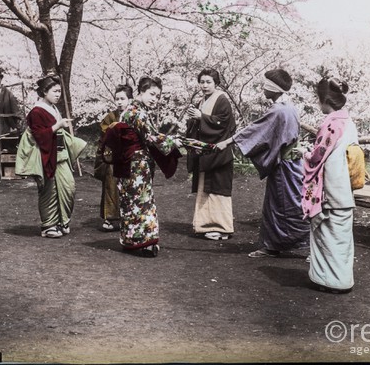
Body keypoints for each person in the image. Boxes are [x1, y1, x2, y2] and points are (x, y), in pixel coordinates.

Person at [217, 69, 309, 257]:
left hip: (285, 166)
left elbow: (256, 130)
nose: (263, 88)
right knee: (280, 205)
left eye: (266, 85)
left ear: (274, 89)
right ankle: (273, 245)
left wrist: (228, 141)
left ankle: (307, 244)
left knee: (287, 205)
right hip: (291, 165)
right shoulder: (290, 107)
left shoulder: (278, 110)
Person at [100, 76, 184, 257]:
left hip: (128, 162)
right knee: (142, 202)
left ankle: (131, 240)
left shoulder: (130, 111)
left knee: (131, 202)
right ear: (141, 92)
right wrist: (175, 142)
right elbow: (152, 137)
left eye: (158, 96)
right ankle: (144, 243)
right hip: (137, 164)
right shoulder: (137, 113)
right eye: (152, 94)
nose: (155, 99)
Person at [302, 77, 358, 294]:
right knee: (341, 234)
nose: (318, 104)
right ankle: (342, 279)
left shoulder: (332, 124)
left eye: (319, 99)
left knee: (327, 230)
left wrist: (305, 153)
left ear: (325, 99)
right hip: (345, 184)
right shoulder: (349, 122)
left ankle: (329, 280)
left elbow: (318, 154)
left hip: (330, 184)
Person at [15, 74, 86, 238]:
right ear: (44, 92)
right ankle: (48, 225)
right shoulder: (36, 111)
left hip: (60, 153)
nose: (58, 94)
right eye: (54, 91)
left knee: (68, 188)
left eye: (59, 91)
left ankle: (62, 221)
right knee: (49, 191)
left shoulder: (53, 109)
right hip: (46, 154)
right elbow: (39, 135)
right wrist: (58, 125)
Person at [185, 68, 236, 241]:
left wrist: (202, 117)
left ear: (216, 83)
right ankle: (205, 224)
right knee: (206, 188)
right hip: (206, 152)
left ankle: (222, 227)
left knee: (218, 189)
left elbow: (223, 124)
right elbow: (198, 124)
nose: (205, 85)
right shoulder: (202, 101)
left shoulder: (222, 100)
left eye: (208, 82)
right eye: (202, 82)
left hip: (218, 152)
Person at [95, 84, 134, 231]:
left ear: (130, 100)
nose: (119, 102)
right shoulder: (110, 117)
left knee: (130, 186)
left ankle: (129, 217)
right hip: (113, 157)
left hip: (131, 156)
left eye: (122, 99)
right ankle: (110, 218)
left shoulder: (134, 115)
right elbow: (105, 134)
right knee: (111, 185)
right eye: (117, 99)